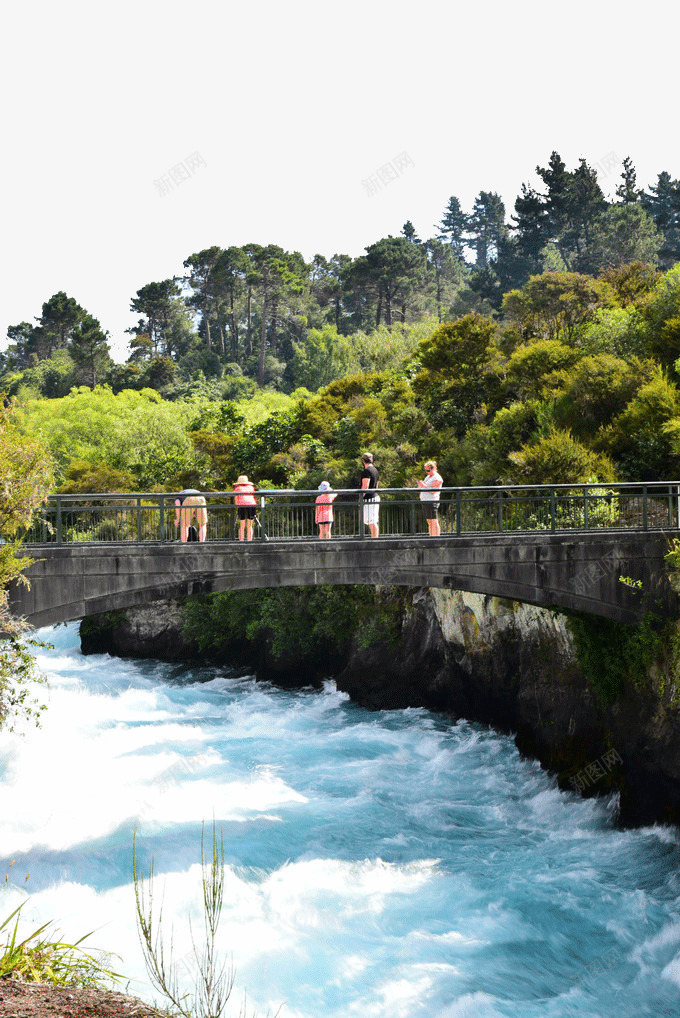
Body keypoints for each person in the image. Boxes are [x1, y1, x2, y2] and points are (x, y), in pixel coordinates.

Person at [417, 460, 443, 536]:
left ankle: (436, 538)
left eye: (428, 470)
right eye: (426, 470)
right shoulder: (428, 476)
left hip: (432, 501)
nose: (427, 472)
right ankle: (431, 536)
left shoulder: (437, 477)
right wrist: (421, 485)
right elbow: (426, 487)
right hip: (425, 501)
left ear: (433, 468)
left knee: (434, 521)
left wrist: (424, 486)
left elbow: (434, 490)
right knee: (429, 521)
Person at [360, 452, 380, 538]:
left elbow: (365, 486)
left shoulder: (366, 471)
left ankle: (375, 540)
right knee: (372, 520)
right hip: (375, 496)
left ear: (363, 461)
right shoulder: (375, 470)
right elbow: (377, 485)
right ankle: (375, 538)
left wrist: (361, 498)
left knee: (372, 521)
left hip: (369, 499)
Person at [233, 474, 257, 541]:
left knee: (242, 525)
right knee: (249, 525)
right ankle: (249, 540)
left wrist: (237, 506)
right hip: (252, 505)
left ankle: (241, 540)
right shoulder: (251, 488)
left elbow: (236, 499)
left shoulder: (237, 488)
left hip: (242, 505)